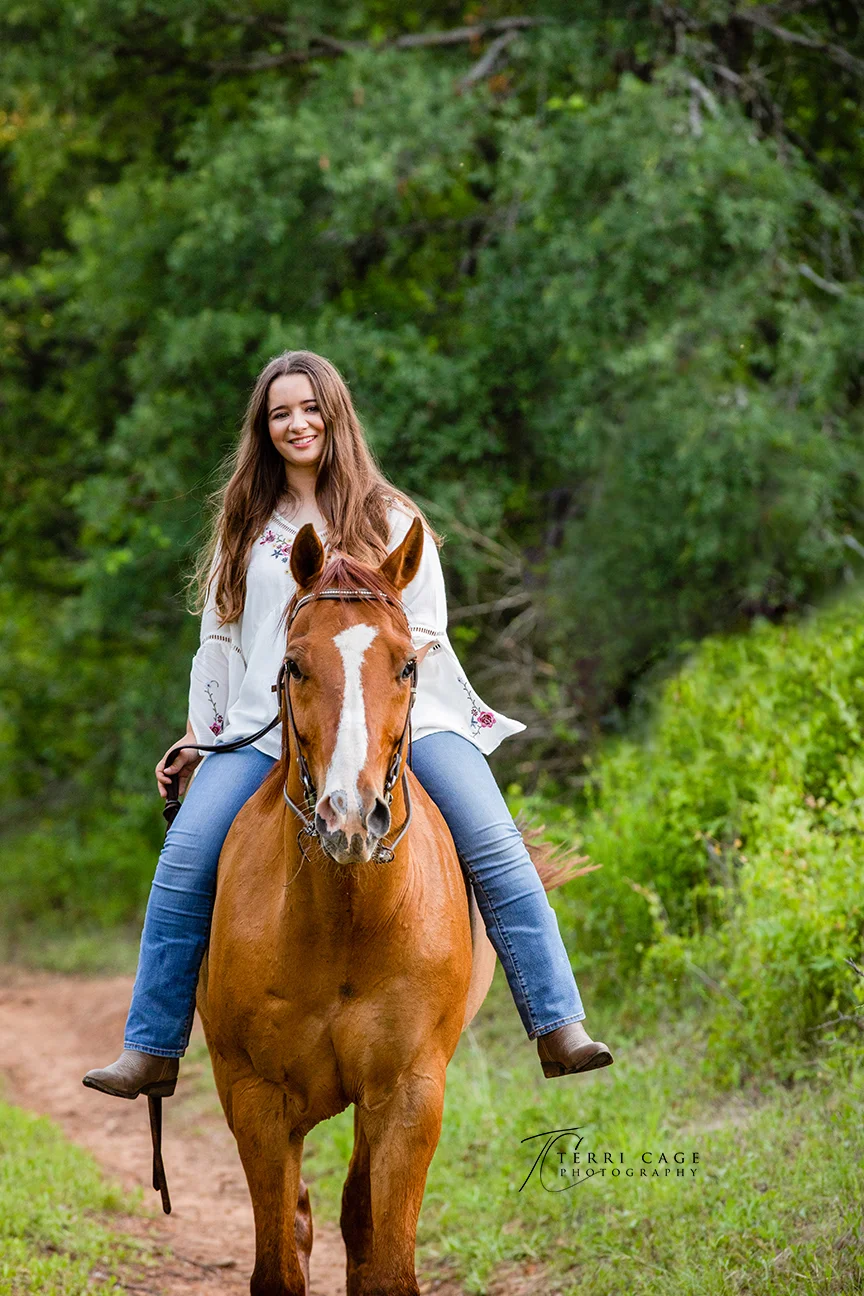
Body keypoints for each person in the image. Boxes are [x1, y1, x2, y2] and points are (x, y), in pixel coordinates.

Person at [83, 350, 612, 1101]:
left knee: (494, 843)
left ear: (335, 416)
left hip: (406, 722)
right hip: (269, 726)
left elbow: (422, 632)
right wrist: (201, 736)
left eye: (309, 408)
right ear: (263, 430)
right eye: (280, 413)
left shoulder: (394, 520)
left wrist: (370, 716)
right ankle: (152, 1045)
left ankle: (558, 1022)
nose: (297, 424)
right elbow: (221, 642)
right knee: (185, 859)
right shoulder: (248, 528)